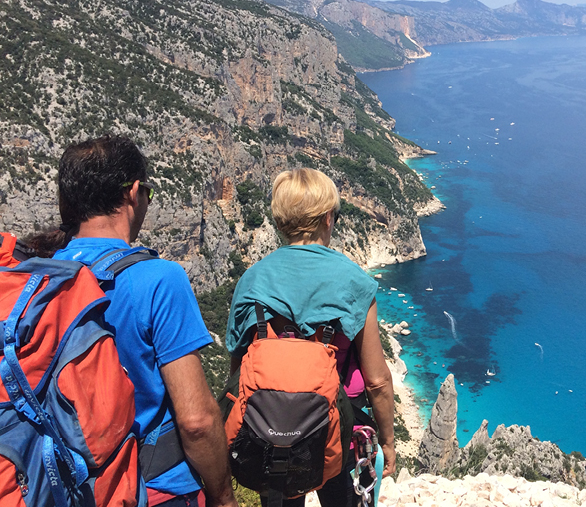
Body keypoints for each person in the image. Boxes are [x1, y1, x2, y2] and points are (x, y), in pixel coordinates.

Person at [35, 135, 237, 507]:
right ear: (133, 193)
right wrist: (224, 498)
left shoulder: (39, 278)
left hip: (62, 486)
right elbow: (196, 422)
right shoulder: (158, 278)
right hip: (153, 488)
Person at [226, 168, 396, 507]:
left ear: (279, 221)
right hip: (339, 433)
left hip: (271, 432)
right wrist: (388, 443)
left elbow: (237, 373)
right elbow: (377, 381)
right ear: (328, 218)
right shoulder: (354, 281)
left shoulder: (251, 281)